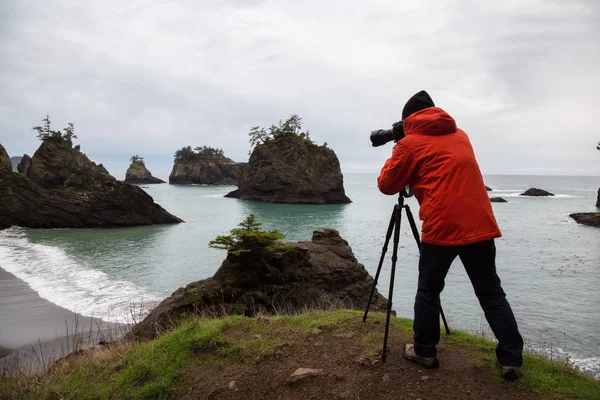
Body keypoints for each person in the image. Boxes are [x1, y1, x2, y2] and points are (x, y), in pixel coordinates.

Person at [377, 90, 524, 381]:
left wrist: (398, 148)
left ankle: (425, 351)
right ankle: (510, 359)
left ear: (408, 120)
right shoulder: (461, 135)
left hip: (442, 225)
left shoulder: (410, 143)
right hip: (481, 223)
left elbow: (386, 184)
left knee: (429, 290)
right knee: (491, 292)